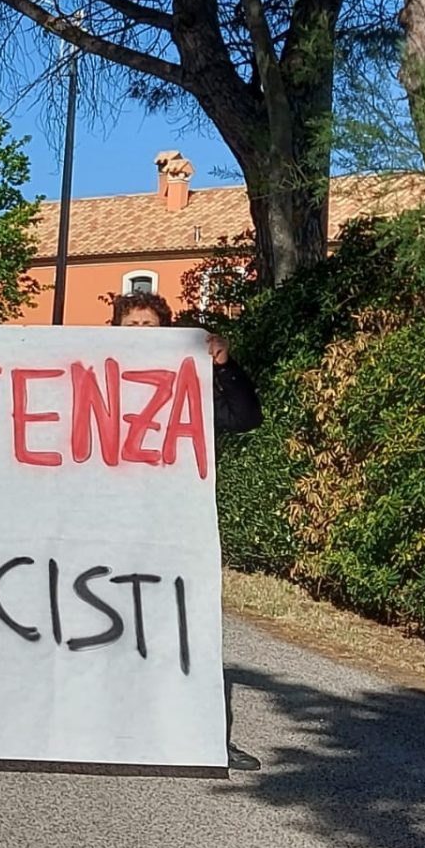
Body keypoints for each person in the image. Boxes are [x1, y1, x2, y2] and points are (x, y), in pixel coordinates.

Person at [113, 291, 263, 772]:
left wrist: (224, 367)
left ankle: (204, 737)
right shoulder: (91, 378)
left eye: (150, 326)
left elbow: (245, 418)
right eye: (132, 325)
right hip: (107, 526)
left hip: (173, 529)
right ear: (114, 331)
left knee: (185, 630)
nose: (141, 334)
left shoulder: (189, 386)